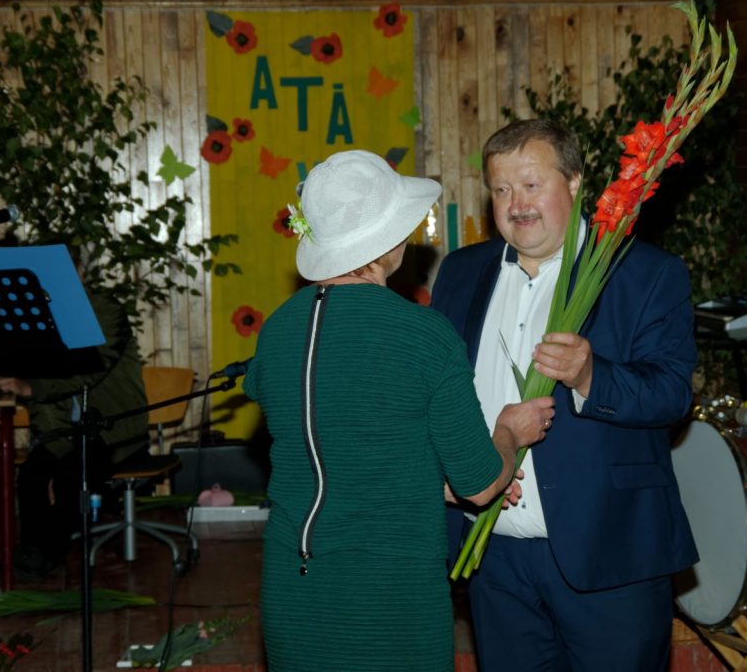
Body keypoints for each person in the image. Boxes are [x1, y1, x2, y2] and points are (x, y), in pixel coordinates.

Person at [241, 149, 555, 671]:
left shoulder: (275, 331)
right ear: (388, 242)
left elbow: (335, 450)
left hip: (293, 586)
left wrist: (426, 483)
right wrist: (508, 431)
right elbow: (481, 485)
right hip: (389, 593)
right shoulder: (423, 334)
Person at [431, 119, 698, 671]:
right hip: (492, 555)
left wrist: (591, 376)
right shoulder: (460, 272)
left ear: (575, 182)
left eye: (532, 185)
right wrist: (448, 471)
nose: (516, 205)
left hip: (611, 552)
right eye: (502, 189)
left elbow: (672, 394)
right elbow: (434, 397)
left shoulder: (643, 273)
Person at [0, 287, 148, 577]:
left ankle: (48, 555)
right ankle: (32, 555)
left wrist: (30, 387)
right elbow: (43, 388)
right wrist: (44, 440)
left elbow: (90, 367)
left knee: (70, 475)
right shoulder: (36, 313)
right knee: (31, 475)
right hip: (64, 430)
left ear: (78, 271)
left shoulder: (104, 308)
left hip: (112, 428)